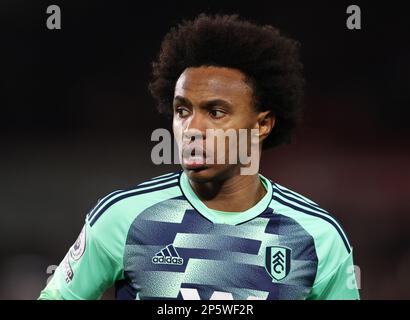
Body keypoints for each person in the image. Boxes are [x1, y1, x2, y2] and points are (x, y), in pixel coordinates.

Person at [39, 13, 360, 300]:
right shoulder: (123, 218)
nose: (192, 128)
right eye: (182, 110)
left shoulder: (318, 237)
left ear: (262, 124)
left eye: (216, 112)